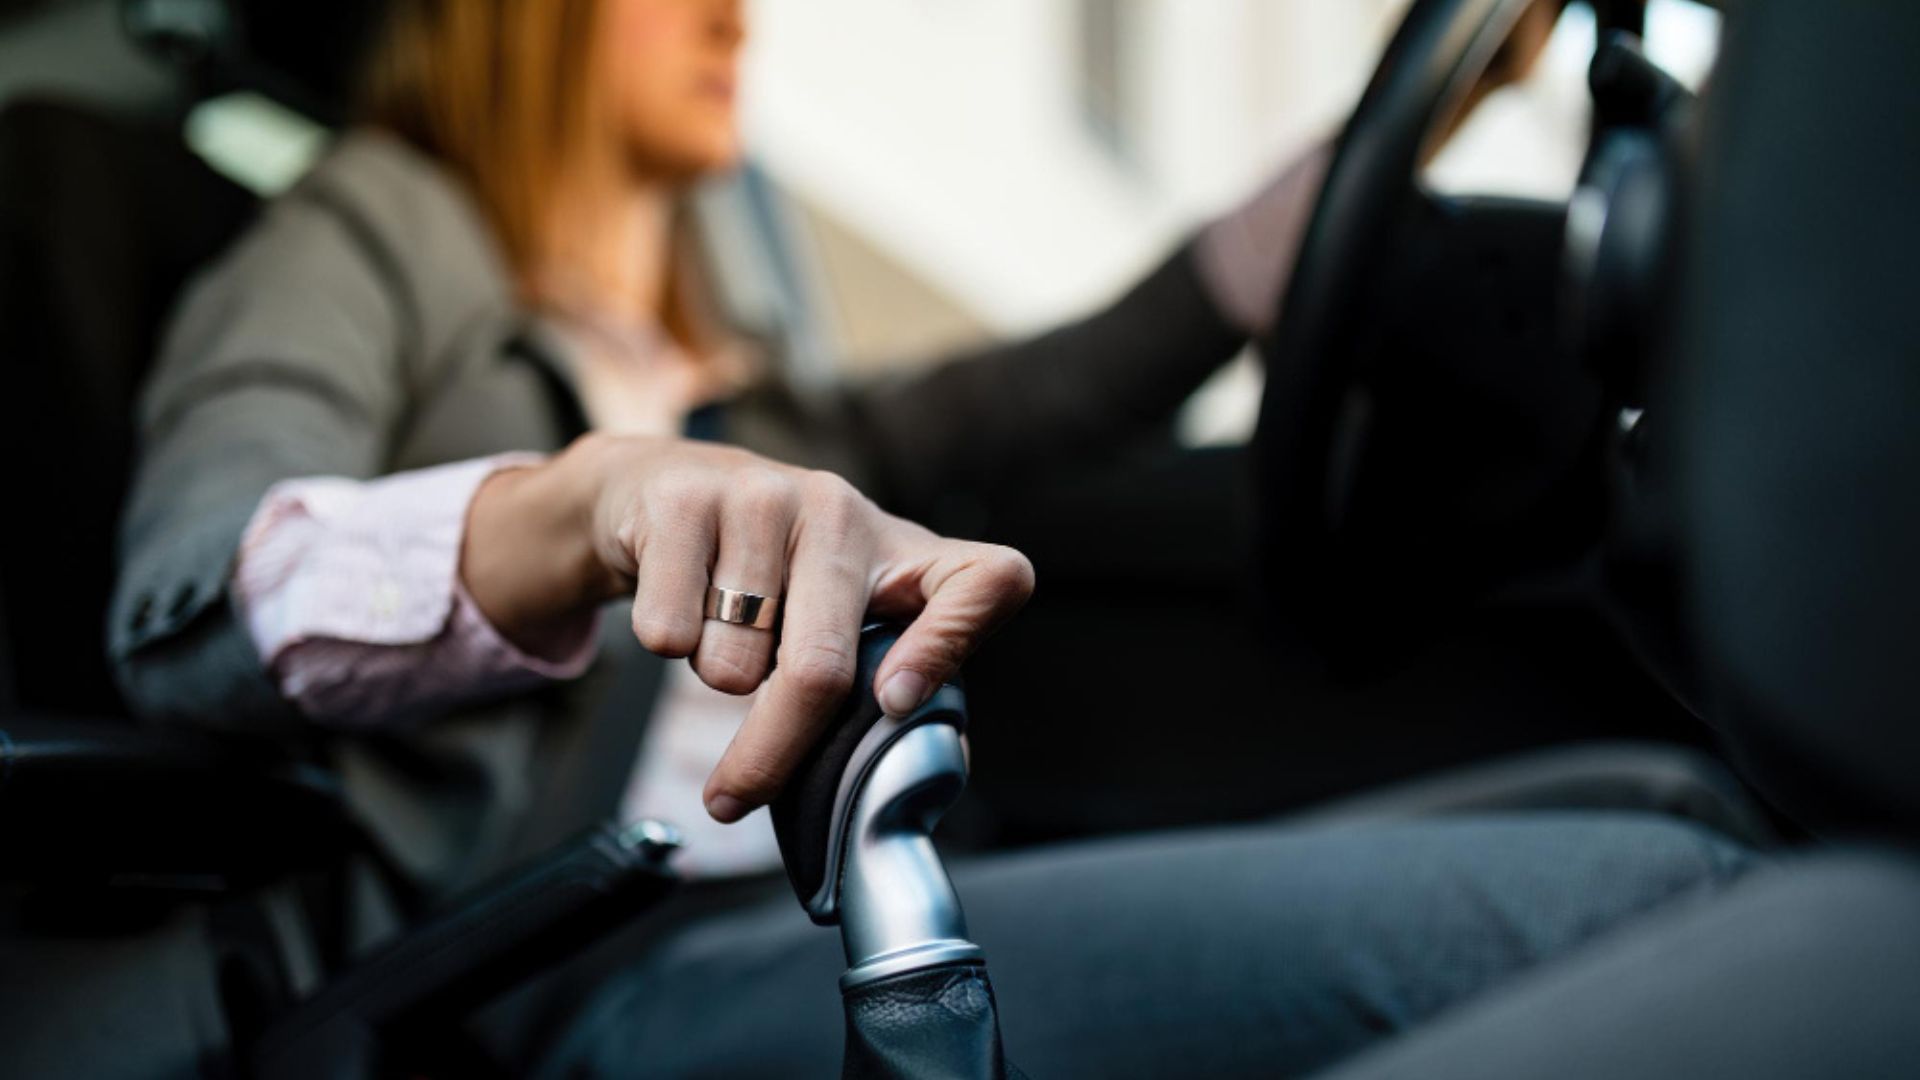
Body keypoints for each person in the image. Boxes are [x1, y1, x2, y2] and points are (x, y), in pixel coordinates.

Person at [109, 0, 1748, 1075]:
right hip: (583, 976)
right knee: (1629, 917)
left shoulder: (734, 368)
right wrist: (590, 500)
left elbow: (1048, 392)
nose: (735, 12)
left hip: (853, 893)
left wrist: (1371, 160)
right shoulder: (372, 230)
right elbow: (203, 599)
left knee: (1660, 819)